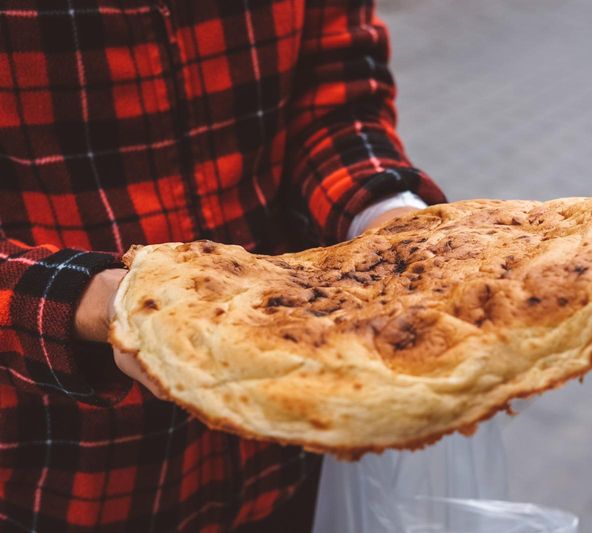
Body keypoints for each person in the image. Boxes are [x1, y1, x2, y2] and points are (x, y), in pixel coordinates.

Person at [0, 1, 446, 530]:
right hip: (68, 468)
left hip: (289, 434)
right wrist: (102, 302)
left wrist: (388, 219)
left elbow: (333, 97)